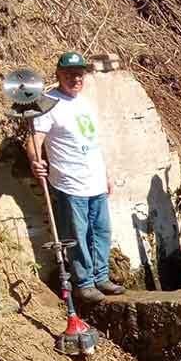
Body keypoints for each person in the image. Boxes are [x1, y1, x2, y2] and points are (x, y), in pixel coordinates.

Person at [26, 52, 124, 305]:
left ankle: (101, 276)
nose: (75, 78)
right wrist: (36, 162)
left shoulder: (84, 103)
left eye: (79, 74)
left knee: (101, 232)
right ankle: (84, 283)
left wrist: (106, 175)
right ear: (58, 74)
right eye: (69, 74)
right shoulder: (48, 103)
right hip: (70, 183)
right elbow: (34, 140)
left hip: (95, 182)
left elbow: (93, 143)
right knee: (77, 235)